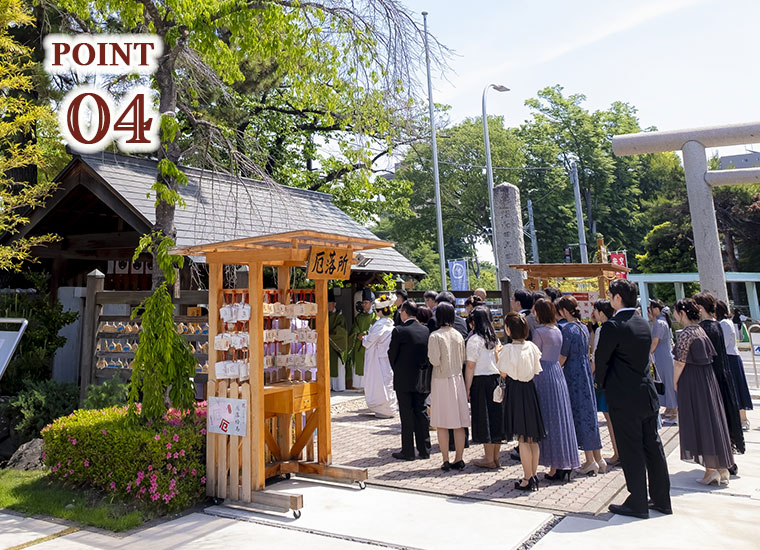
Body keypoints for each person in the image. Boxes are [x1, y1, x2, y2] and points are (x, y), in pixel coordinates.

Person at [595, 279, 671, 519]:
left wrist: (602, 384)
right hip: (645, 392)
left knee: (631, 448)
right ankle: (661, 498)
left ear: (618, 298)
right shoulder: (642, 322)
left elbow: (601, 361)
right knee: (653, 446)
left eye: (611, 295)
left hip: (623, 395)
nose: (609, 299)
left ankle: (637, 501)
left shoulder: (612, 326)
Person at [672, 299, 733, 486]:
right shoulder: (700, 330)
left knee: (698, 420)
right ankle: (721, 467)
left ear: (682, 313)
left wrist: (674, 381)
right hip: (707, 380)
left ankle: (710, 470)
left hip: (692, 381)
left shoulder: (686, 334)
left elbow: (680, 362)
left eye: (675, 312)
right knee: (711, 419)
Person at [532, 298, 580, 481]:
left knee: (548, 419)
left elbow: (535, 356)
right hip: (557, 373)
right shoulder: (558, 330)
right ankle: (563, 462)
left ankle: (554, 466)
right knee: (560, 418)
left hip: (543, 374)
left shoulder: (540, 332)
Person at [498, 312, 546, 492]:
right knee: (532, 438)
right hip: (529, 390)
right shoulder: (532, 347)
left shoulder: (508, 349)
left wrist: (497, 357)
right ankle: (533, 475)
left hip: (516, 390)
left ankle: (527, 478)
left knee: (523, 440)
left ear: (509, 330)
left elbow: (503, 373)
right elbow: (536, 370)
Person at [693, 292, 745, 457]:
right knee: (726, 415)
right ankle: (729, 451)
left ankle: (721, 457)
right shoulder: (717, 325)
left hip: (711, 376)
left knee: (715, 418)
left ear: (700, 308)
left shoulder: (702, 329)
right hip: (723, 373)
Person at [557, 295, 604, 475]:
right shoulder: (583, 327)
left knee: (579, 414)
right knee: (589, 414)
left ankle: (589, 461)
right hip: (585, 373)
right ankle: (598, 458)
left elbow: (563, 357)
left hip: (573, 375)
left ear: (563, 311)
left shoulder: (567, 329)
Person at [427, 302, 469, 471]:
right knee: (459, 422)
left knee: (442, 422)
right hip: (457, 379)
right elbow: (464, 358)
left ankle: (445, 458)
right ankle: (459, 458)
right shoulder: (458, 335)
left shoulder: (435, 336)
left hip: (441, 379)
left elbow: (434, 360)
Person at [388, 300, 431, 460]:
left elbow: (392, 355)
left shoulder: (399, 331)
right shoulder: (425, 330)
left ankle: (408, 451)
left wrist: (397, 370)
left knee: (406, 415)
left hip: (404, 378)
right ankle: (424, 448)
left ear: (404, 312)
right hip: (421, 377)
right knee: (421, 412)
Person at [464, 306, 504, 469]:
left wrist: (467, 388)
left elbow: (470, 366)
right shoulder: (495, 338)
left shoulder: (474, 340)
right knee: (496, 419)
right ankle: (495, 458)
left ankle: (488, 459)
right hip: (496, 381)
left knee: (484, 419)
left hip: (480, 382)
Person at [716, 299, 753, 430]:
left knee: (737, 388)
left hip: (730, 358)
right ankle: (741, 419)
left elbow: (723, 344)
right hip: (731, 358)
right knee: (736, 388)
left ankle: (743, 419)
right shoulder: (725, 322)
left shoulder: (724, 324)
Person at [591, 300, 619, 465]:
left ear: (602, 313)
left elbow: (597, 355)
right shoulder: (615, 326)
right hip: (617, 377)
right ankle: (619, 451)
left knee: (610, 418)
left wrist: (591, 373)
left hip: (604, 378)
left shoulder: (603, 329)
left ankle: (617, 452)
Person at [362, 294, 398, 418]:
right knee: (387, 381)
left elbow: (369, 341)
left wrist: (364, 338)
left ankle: (384, 408)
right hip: (385, 355)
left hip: (377, 357)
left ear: (379, 311)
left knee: (379, 382)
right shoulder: (389, 322)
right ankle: (390, 407)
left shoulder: (379, 325)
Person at [648, 299, 677, 421]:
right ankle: (670, 407)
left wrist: (648, 353)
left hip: (662, 356)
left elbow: (655, 341)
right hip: (664, 355)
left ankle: (674, 408)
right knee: (666, 381)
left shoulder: (659, 323)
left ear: (656, 309)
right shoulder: (663, 321)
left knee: (667, 382)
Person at [347, 288, 375, 389]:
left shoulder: (375, 316)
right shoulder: (359, 316)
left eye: (366, 303)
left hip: (369, 345)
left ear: (371, 303)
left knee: (368, 365)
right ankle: (359, 386)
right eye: (363, 303)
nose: (364, 305)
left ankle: (368, 387)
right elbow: (355, 327)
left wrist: (364, 334)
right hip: (359, 345)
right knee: (359, 364)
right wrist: (357, 333)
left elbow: (375, 329)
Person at [328, 288, 349, 392]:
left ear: (334, 304)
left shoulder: (339, 317)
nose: (328, 306)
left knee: (337, 366)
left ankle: (338, 387)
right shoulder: (324, 315)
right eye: (326, 303)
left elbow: (342, 331)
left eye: (330, 303)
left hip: (336, 347)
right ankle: (329, 386)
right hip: (327, 346)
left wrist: (331, 335)